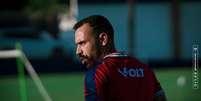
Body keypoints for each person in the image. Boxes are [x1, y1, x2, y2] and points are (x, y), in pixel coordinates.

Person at [73, 15, 166, 101]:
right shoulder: (146, 70)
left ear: (103, 39)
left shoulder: (97, 74)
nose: (78, 51)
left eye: (82, 43)